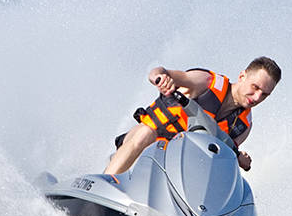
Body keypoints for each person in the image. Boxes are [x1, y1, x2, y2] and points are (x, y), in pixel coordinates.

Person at [103, 57, 281, 175]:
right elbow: (159, 71)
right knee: (146, 133)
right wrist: (159, 78)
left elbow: (219, 160)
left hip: (174, 169)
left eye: (265, 94)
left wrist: (237, 157)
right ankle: (105, 183)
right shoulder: (205, 82)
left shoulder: (244, 126)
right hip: (144, 146)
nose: (257, 97)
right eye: (255, 87)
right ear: (242, 76)